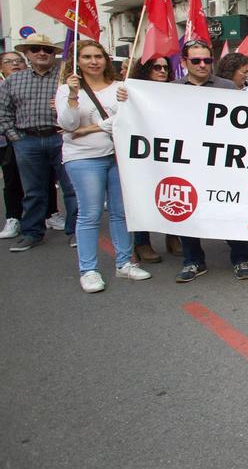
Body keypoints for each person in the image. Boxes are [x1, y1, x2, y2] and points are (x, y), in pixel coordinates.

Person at [57, 40, 150, 292]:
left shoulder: (120, 87)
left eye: (98, 56)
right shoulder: (67, 90)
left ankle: (124, 263)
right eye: (87, 57)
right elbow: (67, 125)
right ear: (78, 61)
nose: (93, 61)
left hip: (117, 157)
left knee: (120, 212)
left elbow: (126, 121)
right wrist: (74, 97)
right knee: (90, 214)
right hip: (83, 158)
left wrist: (88, 128)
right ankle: (88, 270)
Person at [171, 41, 248, 282]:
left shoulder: (227, 87)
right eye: (195, 60)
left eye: (207, 60)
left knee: (231, 208)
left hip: (223, 161)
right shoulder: (172, 89)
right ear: (185, 62)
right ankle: (193, 261)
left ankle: (240, 258)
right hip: (186, 161)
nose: (202, 65)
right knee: (187, 210)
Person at [0, 34, 78, 252]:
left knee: (71, 188)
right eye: (35, 49)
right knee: (33, 190)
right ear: (27, 54)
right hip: (28, 140)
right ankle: (32, 233)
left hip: (61, 138)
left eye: (48, 50)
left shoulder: (66, 79)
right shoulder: (14, 81)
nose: (42, 53)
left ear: (54, 54)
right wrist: (17, 139)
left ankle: (75, 231)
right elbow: (3, 113)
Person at [126, 55, 182, 262]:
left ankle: (173, 236)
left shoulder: (175, 92)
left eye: (165, 67)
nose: (162, 71)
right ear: (145, 70)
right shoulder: (133, 93)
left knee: (174, 193)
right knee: (143, 197)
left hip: (172, 152)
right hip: (144, 153)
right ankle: (142, 243)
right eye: (156, 67)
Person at [0, 51, 28, 239]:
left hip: (31, 138)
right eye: (9, 62)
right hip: (7, 141)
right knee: (11, 179)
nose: (15, 64)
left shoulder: (32, 84)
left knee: (43, 179)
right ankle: (13, 218)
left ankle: (51, 213)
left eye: (19, 61)